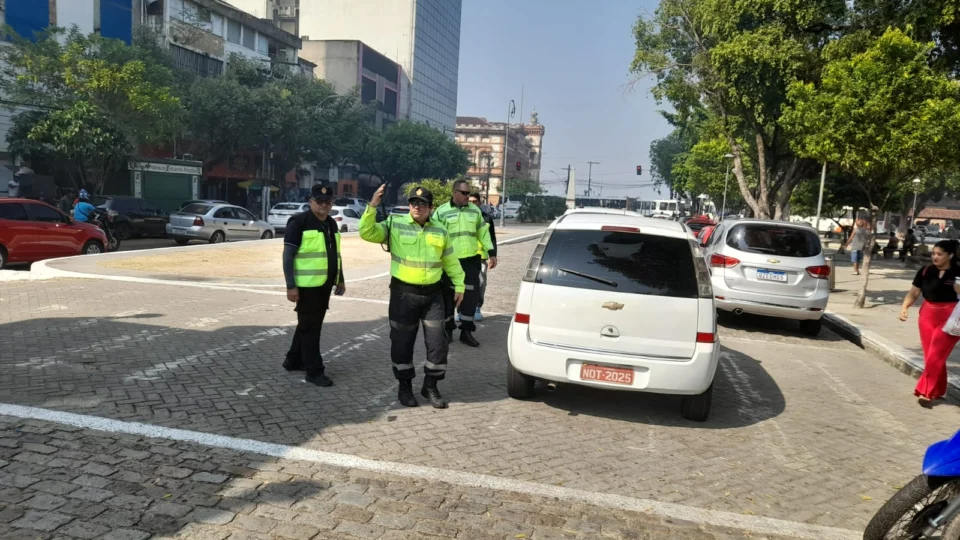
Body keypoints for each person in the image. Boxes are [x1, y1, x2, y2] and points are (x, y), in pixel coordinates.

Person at [359, 184, 465, 408]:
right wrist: (373, 206)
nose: (417, 207)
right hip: (403, 295)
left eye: (422, 204)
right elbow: (367, 233)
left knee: (439, 344)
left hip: (433, 296)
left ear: (430, 207)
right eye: (413, 203)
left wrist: (460, 285)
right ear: (409, 205)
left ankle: (430, 386)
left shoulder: (440, 230)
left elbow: (450, 260)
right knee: (402, 343)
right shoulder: (394, 224)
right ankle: (404, 387)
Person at [281, 184, 345, 387]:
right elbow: (288, 255)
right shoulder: (299, 222)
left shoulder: (331, 224)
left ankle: (293, 360)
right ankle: (314, 371)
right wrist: (291, 285)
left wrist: (340, 278)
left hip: (324, 285)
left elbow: (336, 254)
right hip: (306, 286)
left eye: (328, 201)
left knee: (307, 325)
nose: (324, 205)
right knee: (311, 328)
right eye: (320, 201)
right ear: (311, 202)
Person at [899, 240, 960, 408]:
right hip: (927, 314)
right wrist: (904, 307)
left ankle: (925, 391)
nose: (935, 257)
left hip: (951, 317)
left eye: (939, 254)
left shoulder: (958, 272)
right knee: (931, 355)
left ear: (950, 255)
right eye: (933, 253)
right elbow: (914, 292)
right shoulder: (925, 271)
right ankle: (939, 390)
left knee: (936, 354)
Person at [434, 180, 495, 347]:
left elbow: (483, 233)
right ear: (455, 192)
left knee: (470, 298)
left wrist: (491, 253)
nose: (468, 196)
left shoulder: (475, 211)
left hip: (470, 261)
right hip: (450, 262)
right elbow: (434, 235)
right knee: (448, 297)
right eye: (465, 193)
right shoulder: (441, 212)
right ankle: (447, 330)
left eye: (469, 193)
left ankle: (466, 332)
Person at [468, 192, 497, 321]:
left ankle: (477, 307)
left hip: (482, 257)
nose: (472, 204)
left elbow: (492, 238)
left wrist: (493, 255)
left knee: (480, 282)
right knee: (464, 283)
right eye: (470, 201)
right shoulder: (462, 217)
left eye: (475, 201)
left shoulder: (487, 218)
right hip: (465, 256)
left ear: (480, 202)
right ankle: (462, 309)